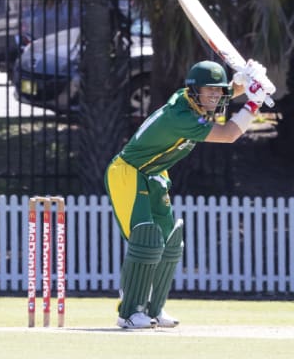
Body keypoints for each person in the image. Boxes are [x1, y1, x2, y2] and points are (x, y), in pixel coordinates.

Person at [105, 60, 275, 329]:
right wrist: (253, 104)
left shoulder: (194, 100)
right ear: (194, 90)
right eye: (210, 92)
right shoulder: (181, 116)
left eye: (218, 92)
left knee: (169, 243)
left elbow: (228, 91)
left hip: (155, 173)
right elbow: (228, 134)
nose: (216, 97)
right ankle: (129, 312)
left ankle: (154, 309)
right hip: (128, 172)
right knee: (146, 240)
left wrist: (245, 80)